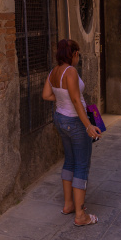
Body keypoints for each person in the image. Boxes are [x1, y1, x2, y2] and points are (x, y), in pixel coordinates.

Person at [43, 39, 102, 226]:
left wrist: (62, 98)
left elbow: (46, 95)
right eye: (78, 53)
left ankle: (68, 205)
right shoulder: (71, 71)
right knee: (82, 166)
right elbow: (77, 101)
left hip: (60, 118)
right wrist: (88, 126)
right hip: (75, 122)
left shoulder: (54, 72)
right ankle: (80, 215)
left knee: (69, 161)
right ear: (74, 54)